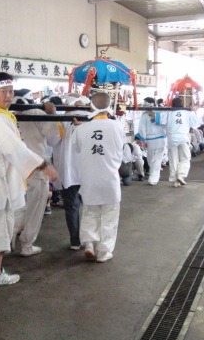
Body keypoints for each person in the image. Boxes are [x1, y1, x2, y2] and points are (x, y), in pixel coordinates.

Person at [0, 72, 58, 287]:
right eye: (3, 92)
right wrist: (45, 166)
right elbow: (16, 149)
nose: (8, 96)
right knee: (1, 227)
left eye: (11, 91)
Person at [73, 92, 125, 263]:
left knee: (90, 212)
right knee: (109, 216)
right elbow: (120, 148)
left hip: (89, 179)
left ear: (91, 106)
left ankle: (89, 244)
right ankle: (104, 252)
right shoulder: (117, 126)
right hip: (109, 178)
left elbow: (78, 149)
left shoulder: (81, 129)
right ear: (109, 106)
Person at [12, 90, 60, 256]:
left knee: (18, 205)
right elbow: (54, 139)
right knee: (35, 208)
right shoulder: (37, 113)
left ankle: (9, 236)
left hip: (15, 168)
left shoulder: (8, 115)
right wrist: (52, 115)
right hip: (37, 168)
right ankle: (26, 245)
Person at [51, 94, 87, 250]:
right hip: (87, 171)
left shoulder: (61, 121)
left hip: (68, 172)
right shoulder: (89, 121)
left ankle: (75, 241)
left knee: (72, 206)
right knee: (89, 207)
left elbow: (51, 141)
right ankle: (89, 241)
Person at [150, 97, 199, 187]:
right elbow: (195, 123)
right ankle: (181, 175)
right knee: (185, 158)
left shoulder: (169, 112)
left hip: (172, 138)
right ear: (181, 104)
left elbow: (157, 117)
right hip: (183, 137)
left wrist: (148, 110)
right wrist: (194, 111)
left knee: (173, 159)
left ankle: (174, 180)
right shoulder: (187, 112)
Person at [135, 97, 167, 185]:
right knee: (151, 160)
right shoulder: (156, 113)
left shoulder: (158, 112)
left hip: (158, 139)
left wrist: (142, 139)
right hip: (152, 140)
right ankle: (154, 176)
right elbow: (142, 128)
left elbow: (142, 128)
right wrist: (143, 139)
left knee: (156, 159)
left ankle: (153, 178)